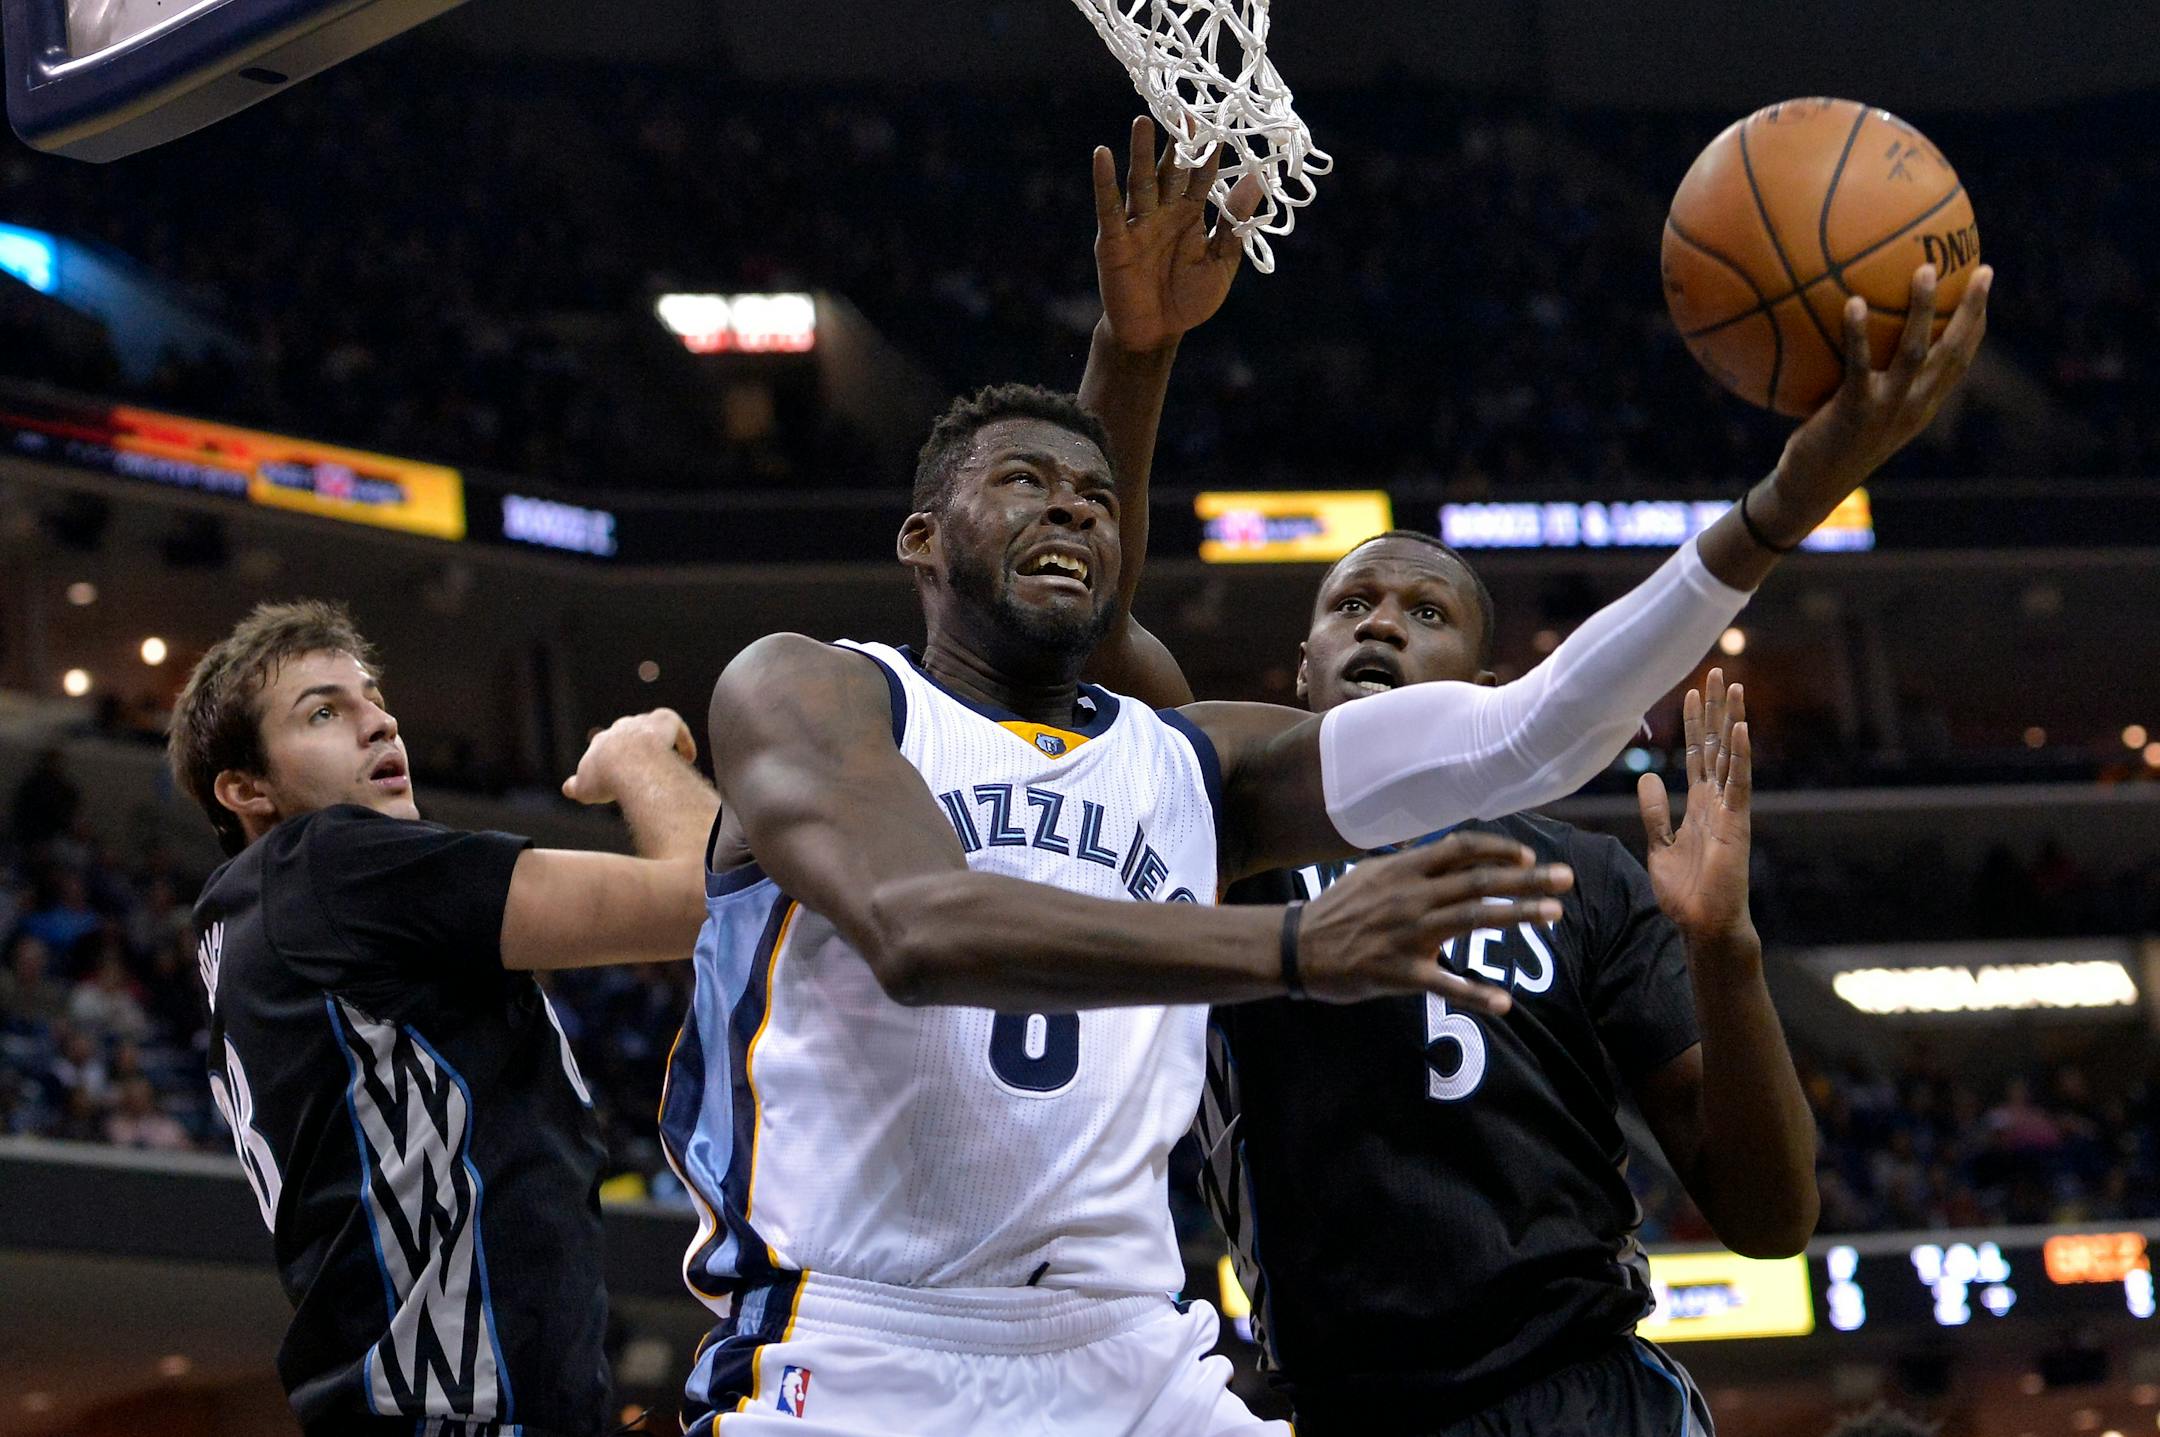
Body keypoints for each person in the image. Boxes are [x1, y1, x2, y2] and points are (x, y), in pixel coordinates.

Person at [663, 123, 1990, 1436]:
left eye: (1095, 499)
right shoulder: (821, 686)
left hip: (1143, 1354)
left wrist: (1784, 501)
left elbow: (1533, 732)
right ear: (919, 537)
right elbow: (916, 923)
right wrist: (1294, 942)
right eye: (1025, 483)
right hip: (862, 1342)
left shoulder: (1196, 770)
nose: (1073, 508)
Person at [169, 599, 719, 1437]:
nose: (379, 723)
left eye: (372, 697)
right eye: (324, 711)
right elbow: (705, 897)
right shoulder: (328, 866)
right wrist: (639, 758)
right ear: (247, 789)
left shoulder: (254, 927)